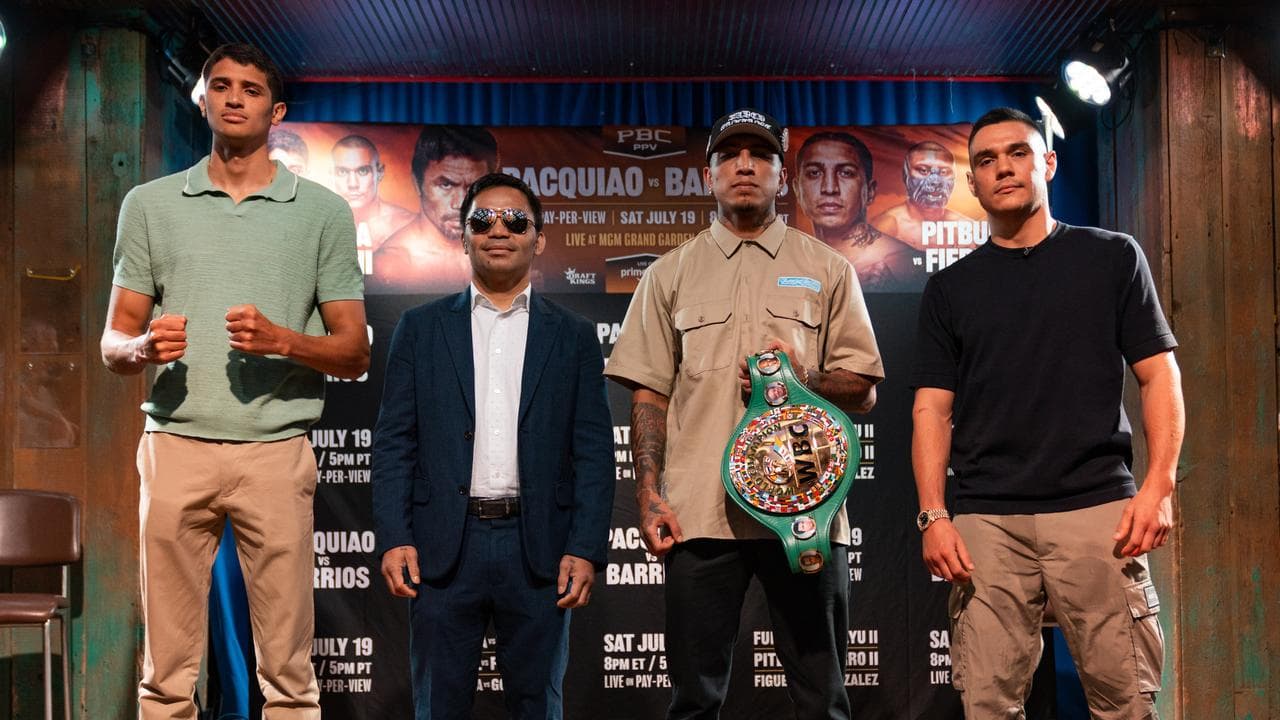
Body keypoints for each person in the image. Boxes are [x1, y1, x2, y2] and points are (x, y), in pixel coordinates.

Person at [100, 43, 369, 719]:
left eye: (251, 89)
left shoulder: (321, 212)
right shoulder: (150, 204)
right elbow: (112, 342)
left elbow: (355, 352)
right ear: (202, 99)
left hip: (275, 452)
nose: (234, 98)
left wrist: (283, 340)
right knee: (165, 675)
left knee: (289, 675)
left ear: (276, 112)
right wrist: (141, 347)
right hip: (175, 447)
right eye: (220, 85)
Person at [605, 108, 884, 720]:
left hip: (806, 512)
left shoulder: (828, 269)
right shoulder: (668, 274)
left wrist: (806, 379)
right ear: (708, 176)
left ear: (783, 177)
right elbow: (649, 395)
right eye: (729, 156)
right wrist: (648, 494)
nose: (745, 166)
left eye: (760, 155)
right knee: (694, 700)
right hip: (701, 515)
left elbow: (863, 388)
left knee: (823, 699)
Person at [910, 106, 1183, 719]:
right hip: (987, 521)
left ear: (1048, 163)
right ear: (973, 182)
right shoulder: (950, 289)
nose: (1003, 168)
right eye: (986, 160)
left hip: (1097, 510)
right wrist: (933, 514)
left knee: (1126, 704)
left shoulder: (1112, 257)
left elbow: (1159, 374)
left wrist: (1159, 486)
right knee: (988, 706)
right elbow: (931, 409)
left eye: (1018, 153)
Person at [372, 172, 614, 719]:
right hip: (441, 551)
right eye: (482, 220)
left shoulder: (573, 335)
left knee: (538, 707)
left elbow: (594, 453)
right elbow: (393, 444)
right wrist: (394, 537)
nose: (498, 230)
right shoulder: (419, 328)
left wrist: (585, 547)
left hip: (539, 551)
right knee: (438, 707)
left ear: (539, 239)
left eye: (515, 221)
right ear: (463, 237)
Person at [792, 131, 925, 291]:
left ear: (870, 191)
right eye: (814, 173)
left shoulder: (902, 263)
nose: (829, 188)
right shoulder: (790, 262)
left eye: (846, 173)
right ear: (797, 190)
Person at [372, 126, 498, 292]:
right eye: (446, 185)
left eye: (474, 186)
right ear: (417, 183)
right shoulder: (390, 267)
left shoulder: (503, 254)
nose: (460, 203)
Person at [871, 140, 975, 251]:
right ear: (906, 176)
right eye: (923, 170)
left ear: (954, 177)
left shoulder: (968, 227)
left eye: (944, 172)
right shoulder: (888, 227)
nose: (936, 181)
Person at [330, 134, 415, 263]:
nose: (353, 184)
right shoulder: (318, 227)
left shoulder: (407, 226)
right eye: (342, 172)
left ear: (379, 173)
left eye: (362, 171)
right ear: (331, 174)